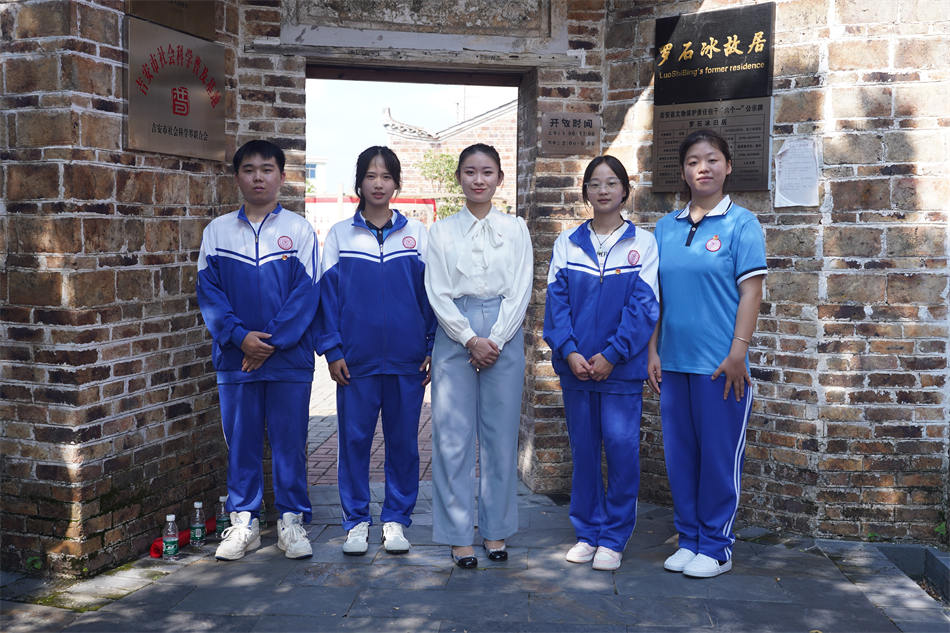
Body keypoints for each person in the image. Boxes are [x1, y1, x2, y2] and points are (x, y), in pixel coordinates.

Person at [647, 129, 766, 578]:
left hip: (721, 366)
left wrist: (738, 353)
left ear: (728, 166)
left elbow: (751, 293)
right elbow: (655, 297)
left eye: (713, 159)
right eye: (694, 161)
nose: (704, 168)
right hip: (674, 364)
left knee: (718, 458)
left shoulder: (743, 224)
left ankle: (717, 547)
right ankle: (690, 538)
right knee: (680, 458)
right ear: (683, 172)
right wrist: (652, 351)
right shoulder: (665, 228)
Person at [196, 139, 319, 561]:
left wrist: (268, 343)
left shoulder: (300, 231)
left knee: (289, 444)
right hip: (236, 361)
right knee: (242, 443)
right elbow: (209, 294)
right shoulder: (217, 232)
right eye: (249, 170)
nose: (258, 177)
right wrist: (239, 338)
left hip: (289, 361)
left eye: (267, 169)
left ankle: (291, 522)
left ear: (281, 177)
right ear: (237, 178)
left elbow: (307, 294)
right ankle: (243, 522)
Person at [314, 146, 435, 556]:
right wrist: (332, 350)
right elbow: (326, 298)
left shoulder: (417, 234)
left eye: (386, 176)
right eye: (370, 176)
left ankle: (397, 520)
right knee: (354, 443)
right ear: (359, 183)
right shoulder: (340, 235)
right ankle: (356, 522)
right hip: (356, 362)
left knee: (404, 444)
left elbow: (431, 296)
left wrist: (431, 345)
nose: (378, 184)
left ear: (396, 183)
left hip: (406, 360)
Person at [543, 156, 659, 571]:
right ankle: (588, 532)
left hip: (621, 371)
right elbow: (556, 303)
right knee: (585, 452)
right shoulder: (568, 243)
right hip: (575, 369)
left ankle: (613, 537)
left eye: (612, 183)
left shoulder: (643, 244)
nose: (603, 190)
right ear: (586, 192)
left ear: (625, 190)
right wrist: (570, 351)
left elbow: (644, 306)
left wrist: (612, 354)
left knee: (622, 451)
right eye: (595, 183)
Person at [424, 143, 533, 568]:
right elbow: (436, 290)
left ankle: (495, 529)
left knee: (499, 438)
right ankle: (457, 535)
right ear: (459, 178)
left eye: (487, 172)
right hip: (455, 330)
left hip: (504, 329)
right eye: (470, 171)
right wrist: (470, 338)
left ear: (500, 178)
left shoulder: (516, 229)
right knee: (452, 438)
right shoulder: (441, 231)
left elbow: (522, 287)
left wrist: (496, 339)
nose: (478, 179)